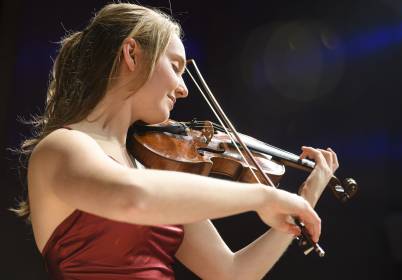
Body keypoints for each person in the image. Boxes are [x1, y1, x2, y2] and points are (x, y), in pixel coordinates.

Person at [15, 3, 339, 279]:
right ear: (132, 53)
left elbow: (232, 272)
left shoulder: (153, 170)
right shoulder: (63, 146)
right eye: (175, 66)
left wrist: (305, 197)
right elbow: (132, 198)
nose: (183, 88)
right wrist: (263, 197)